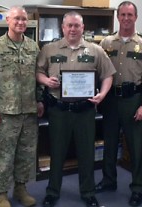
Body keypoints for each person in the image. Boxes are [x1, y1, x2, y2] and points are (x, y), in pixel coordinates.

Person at [36, 11, 116, 207]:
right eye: (69, 25)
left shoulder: (95, 50)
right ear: (63, 28)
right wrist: (46, 80)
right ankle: (52, 191)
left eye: (76, 25)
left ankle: (88, 192)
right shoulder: (49, 49)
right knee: (57, 152)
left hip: (85, 111)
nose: (72, 29)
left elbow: (108, 75)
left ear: (83, 28)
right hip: (59, 109)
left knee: (86, 152)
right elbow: (38, 71)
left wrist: (103, 94)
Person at [96, 1, 142, 206]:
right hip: (110, 100)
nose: (126, 18)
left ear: (136, 17)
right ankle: (108, 180)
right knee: (109, 142)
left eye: (130, 15)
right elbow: (97, 71)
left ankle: (137, 188)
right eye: (122, 14)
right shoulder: (105, 43)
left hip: (133, 99)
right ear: (118, 17)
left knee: (136, 146)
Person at [0, 6, 44, 207]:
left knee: (25, 155)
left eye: (24, 19)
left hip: (29, 112)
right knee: (4, 156)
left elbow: (38, 77)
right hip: (5, 113)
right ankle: (1, 194)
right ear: (8, 20)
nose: (21, 23)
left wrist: (40, 100)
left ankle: (20, 189)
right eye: (17, 18)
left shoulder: (33, 48)